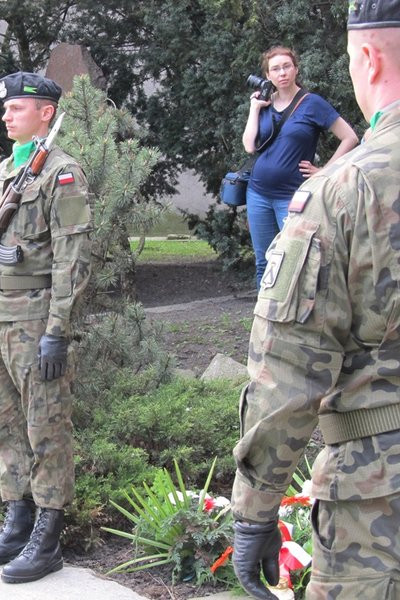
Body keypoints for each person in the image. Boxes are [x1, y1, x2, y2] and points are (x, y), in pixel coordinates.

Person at [231, 2, 400, 598]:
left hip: (380, 500)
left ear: (367, 58)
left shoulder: (347, 189)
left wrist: (254, 509)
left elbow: (289, 367)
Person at [0, 72, 93, 584]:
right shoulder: (6, 169)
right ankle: (17, 522)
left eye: (17, 108)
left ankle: (47, 535)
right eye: (7, 108)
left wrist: (57, 330)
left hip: (37, 320)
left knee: (46, 428)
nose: (7, 115)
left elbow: (73, 257)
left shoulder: (62, 173)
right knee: (5, 425)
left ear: (46, 114)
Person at [242, 45, 358, 288]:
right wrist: (254, 108)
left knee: (294, 261)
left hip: (292, 196)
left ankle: (292, 312)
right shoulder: (264, 104)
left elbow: (350, 138)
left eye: (287, 66)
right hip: (258, 194)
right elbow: (249, 146)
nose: (282, 73)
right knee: (264, 262)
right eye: (275, 69)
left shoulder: (312, 103)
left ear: (296, 69)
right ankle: (265, 312)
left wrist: (325, 171)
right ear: (268, 76)